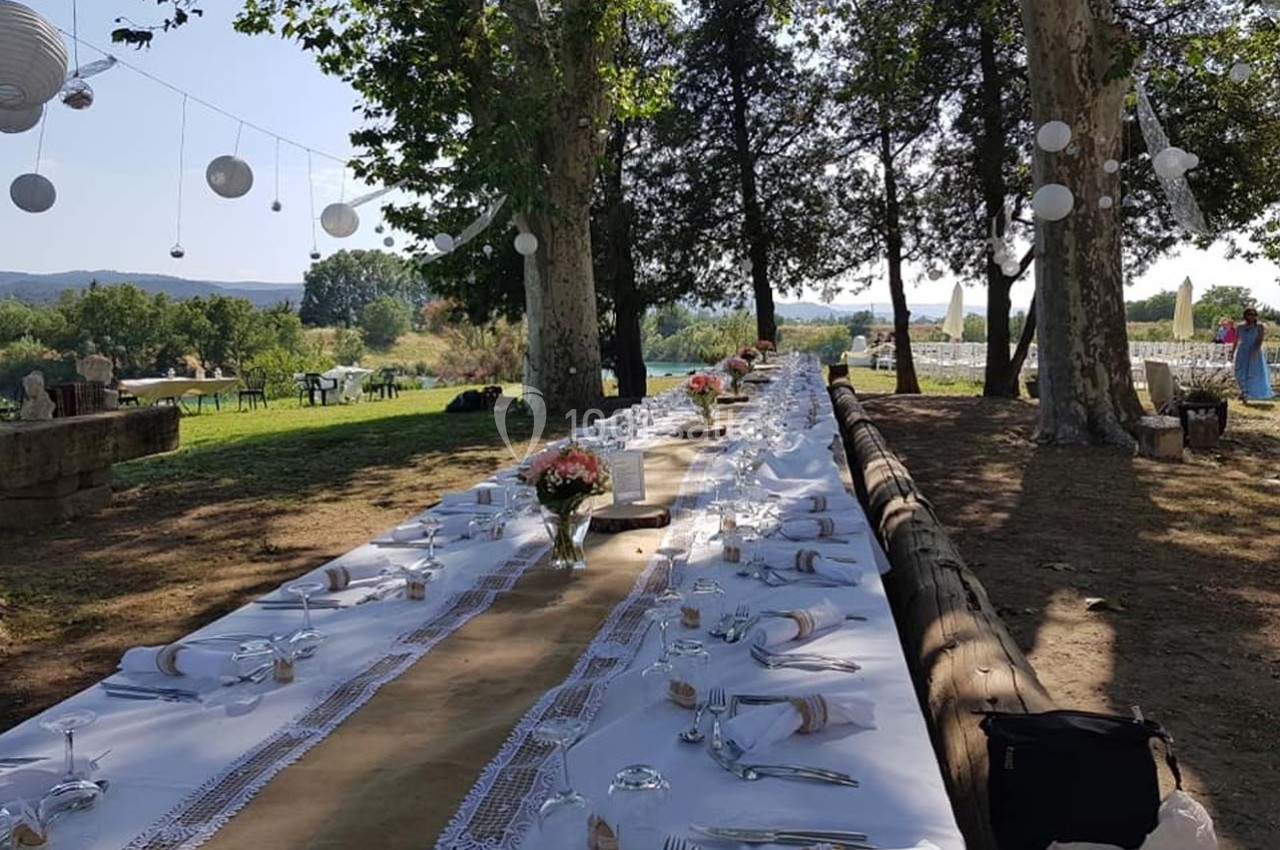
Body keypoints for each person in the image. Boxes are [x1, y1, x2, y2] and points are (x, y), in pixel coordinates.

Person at [1232, 308, 1273, 401]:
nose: (1252, 316)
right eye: (1250, 314)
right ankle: (1243, 390)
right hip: (1242, 350)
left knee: (1253, 372)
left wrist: (1255, 351)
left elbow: (1260, 339)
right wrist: (1232, 352)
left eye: (1254, 314)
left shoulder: (1259, 326)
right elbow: (1236, 340)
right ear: (1245, 315)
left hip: (1254, 350)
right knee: (1240, 371)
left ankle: (1248, 393)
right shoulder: (1239, 327)